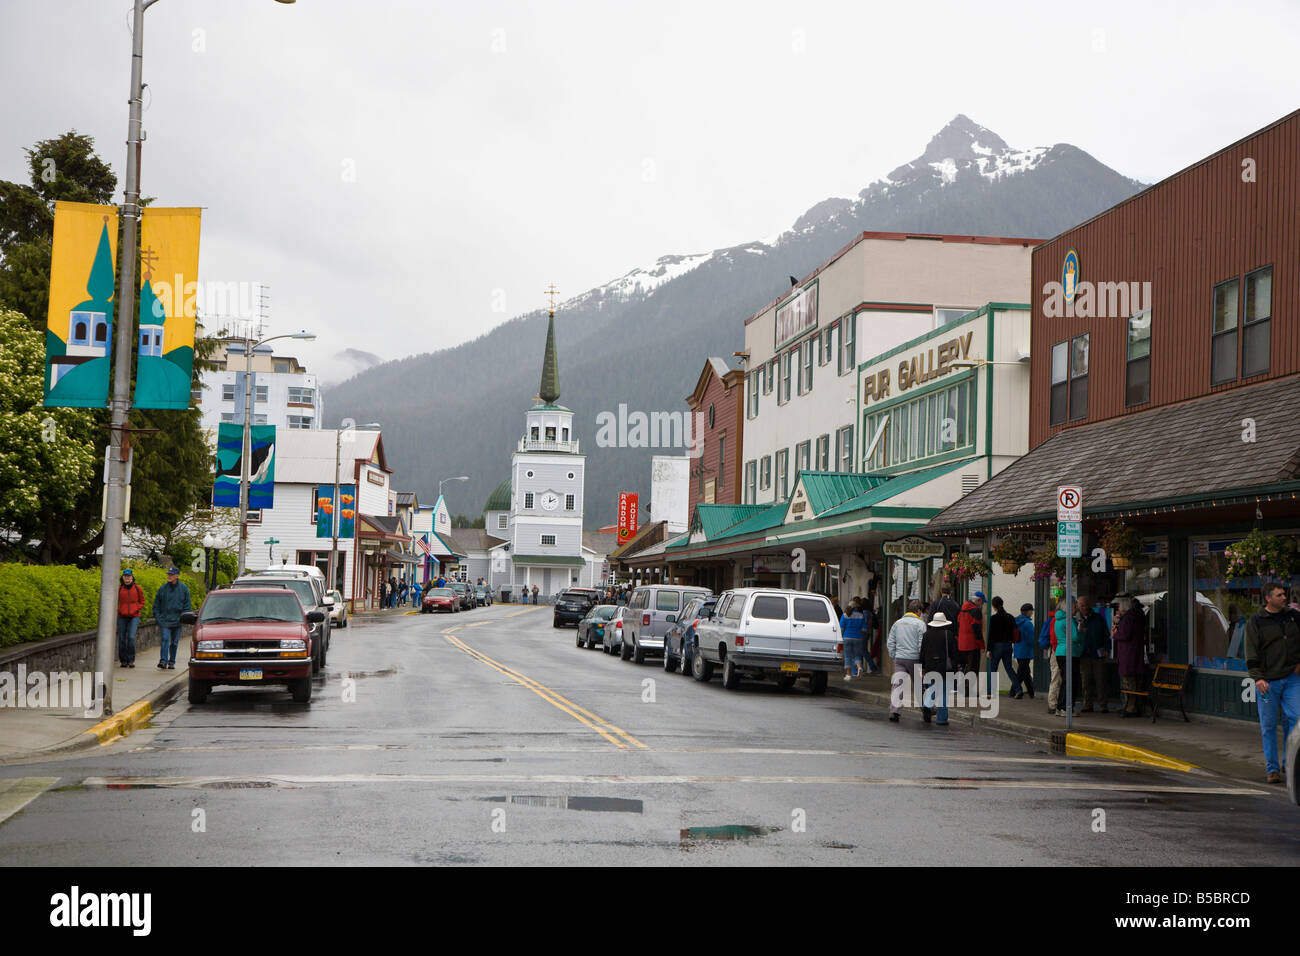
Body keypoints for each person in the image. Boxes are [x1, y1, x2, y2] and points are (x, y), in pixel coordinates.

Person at [1244, 581, 1300, 784]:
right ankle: (1272, 769)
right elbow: (1251, 651)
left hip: (1292, 678)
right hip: (1267, 682)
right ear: (1268, 598)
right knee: (1268, 726)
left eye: (1284, 594)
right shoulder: (1256, 621)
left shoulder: (1293, 616)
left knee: (1296, 720)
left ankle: (1289, 761)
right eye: (1279, 595)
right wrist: (1257, 677)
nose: (1284, 598)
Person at [886, 598, 927, 722]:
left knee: (898, 685)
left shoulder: (897, 623)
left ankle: (894, 711)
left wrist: (894, 655)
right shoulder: (920, 624)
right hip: (914, 658)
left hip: (900, 658)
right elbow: (922, 644)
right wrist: (922, 660)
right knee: (920, 685)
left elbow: (890, 642)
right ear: (918, 611)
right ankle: (926, 709)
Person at [920, 606, 958, 725]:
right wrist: (956, 666)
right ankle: (941, 719)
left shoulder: (926, 635)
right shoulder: (948, 635)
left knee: (932, 689)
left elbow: (922, 652)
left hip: (930, 667)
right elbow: (954, 653)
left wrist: (923, 667)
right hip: (944, 668)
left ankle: (927, 705)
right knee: (944, 693)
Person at [1112, 595, 1147, 717]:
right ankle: (1133, 706)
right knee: (1135, 682)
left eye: (1119, 607)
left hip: (1128, 655)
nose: (1118, 609)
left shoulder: (1128, 618)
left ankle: (1130, 708)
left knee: (1129, 682)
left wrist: (1115, 634)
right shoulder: (1138, 615)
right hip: (1136, 654)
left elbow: (1124, 635)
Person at [1077, 596, 1112, 713]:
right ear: (1078, 607)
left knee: (1101, 680)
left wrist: (1107, 648)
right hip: (1084, 654)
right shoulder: (1076, 619)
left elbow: (1106, 634)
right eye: (1082, 606)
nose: (1085, 608)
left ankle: (1103, 705)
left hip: (1098, 653)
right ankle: (1087, 704)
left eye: (1086, 605)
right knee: (1085, 681)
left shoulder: (1098, 618)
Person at [153, 566, 191, 671]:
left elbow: (187, 606)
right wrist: (158, 618)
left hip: (177, 621)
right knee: (165, 639)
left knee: (174, 642)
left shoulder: (183, 588)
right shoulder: (163, 588)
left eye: (171, 575)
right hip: (165, 621)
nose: (169, 576)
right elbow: (156, 605)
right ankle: (163, 661)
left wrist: (183, 618)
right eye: (168, 574)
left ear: (177, 576)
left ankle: (172, 662)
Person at [1051, 598, 1082, 717]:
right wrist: (1082, 632)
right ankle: (1067, 708)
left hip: (1060, 651)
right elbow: (1075, 637)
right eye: (1074, 606)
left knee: (1065, 680)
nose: (1076, 609)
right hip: (1070, 652)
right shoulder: (1069, 620)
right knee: (1071, 681)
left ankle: (1060, 707)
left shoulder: (1058, 620)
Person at [986, 595, 1020, 697]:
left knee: (993, 669)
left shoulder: (993, 618)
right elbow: (1014, 631)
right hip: (1008, 645)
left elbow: (991, 635)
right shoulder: (1010, 617)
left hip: (997, 646)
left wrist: (989, 649)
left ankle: (990, 692)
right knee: (1009, 668)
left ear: (994, 606)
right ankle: (1018, 689)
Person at [117, 569, 145, 668]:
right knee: (121, 639)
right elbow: (115, 602)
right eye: (125, 576)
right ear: (123, 578)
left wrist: (136, 609)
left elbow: (142, 601)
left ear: (132, 577)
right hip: (122, 616)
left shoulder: (137, 588)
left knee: (131, 637)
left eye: (129, 576)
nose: (127, 578)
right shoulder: (119, 589)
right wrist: (119, 609)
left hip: (134, 616)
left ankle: (131, 660)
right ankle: (123, 660)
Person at [957, 590, 986, 677]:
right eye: (983, 602)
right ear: (978, 600)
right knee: (973, 669)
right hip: (972, 645)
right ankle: (969, 689)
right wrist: (982, 645)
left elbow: (958, 624)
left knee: (963, 668)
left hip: (961, 645)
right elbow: (976, 629)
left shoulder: (962, 609)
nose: (983, 605)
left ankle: (963, 688)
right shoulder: (976, 611)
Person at [1012, 603, 1036, 699]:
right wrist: (1036, 647)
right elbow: (1031, 639)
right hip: (1026, 650)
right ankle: (1013, 691)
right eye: (1031, 611)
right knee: (1022, 672)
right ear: (1028, 611)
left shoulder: (1016, 621)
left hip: (1018, 649)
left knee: (1025, 672)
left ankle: (1031, 692)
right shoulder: (1027, 624)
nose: (1032, 614)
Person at [840, 600, 865, 680]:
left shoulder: (845, 615)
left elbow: (841, 628)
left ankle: (848, 675)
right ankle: (859, 668)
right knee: (857, 655)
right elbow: (864, 629)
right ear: (856, 607)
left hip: (847, 637)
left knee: (847, 657)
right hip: (858, 637)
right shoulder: (861, 615)